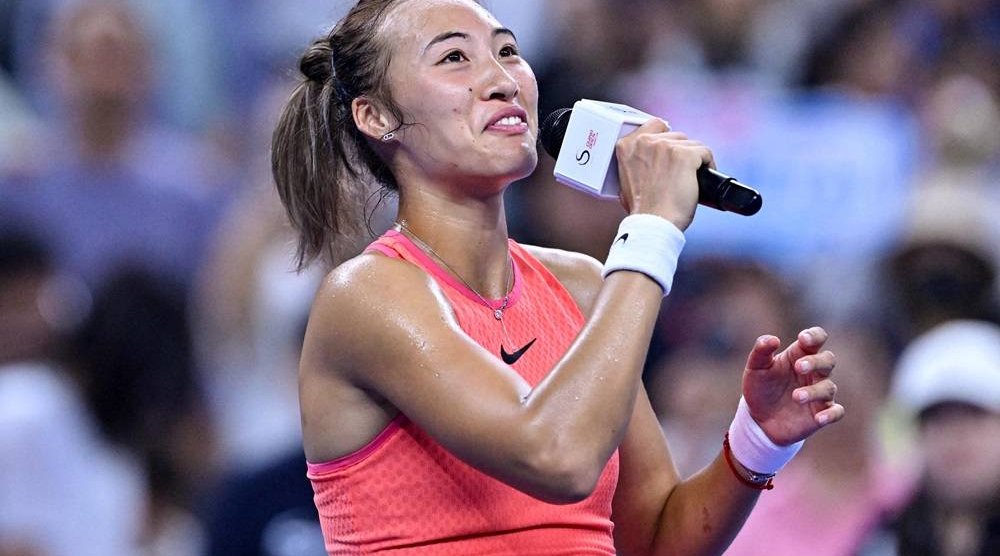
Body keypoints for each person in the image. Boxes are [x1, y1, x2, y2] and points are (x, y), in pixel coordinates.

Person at [270, 0, 844, 554]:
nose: (501, 79)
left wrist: (756, 442)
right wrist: (649, 230)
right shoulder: (366, 295)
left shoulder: (586, 286)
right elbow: (556, 456)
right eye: (453, 58)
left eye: (508, 52)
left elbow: (652, 542)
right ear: (377, 116)